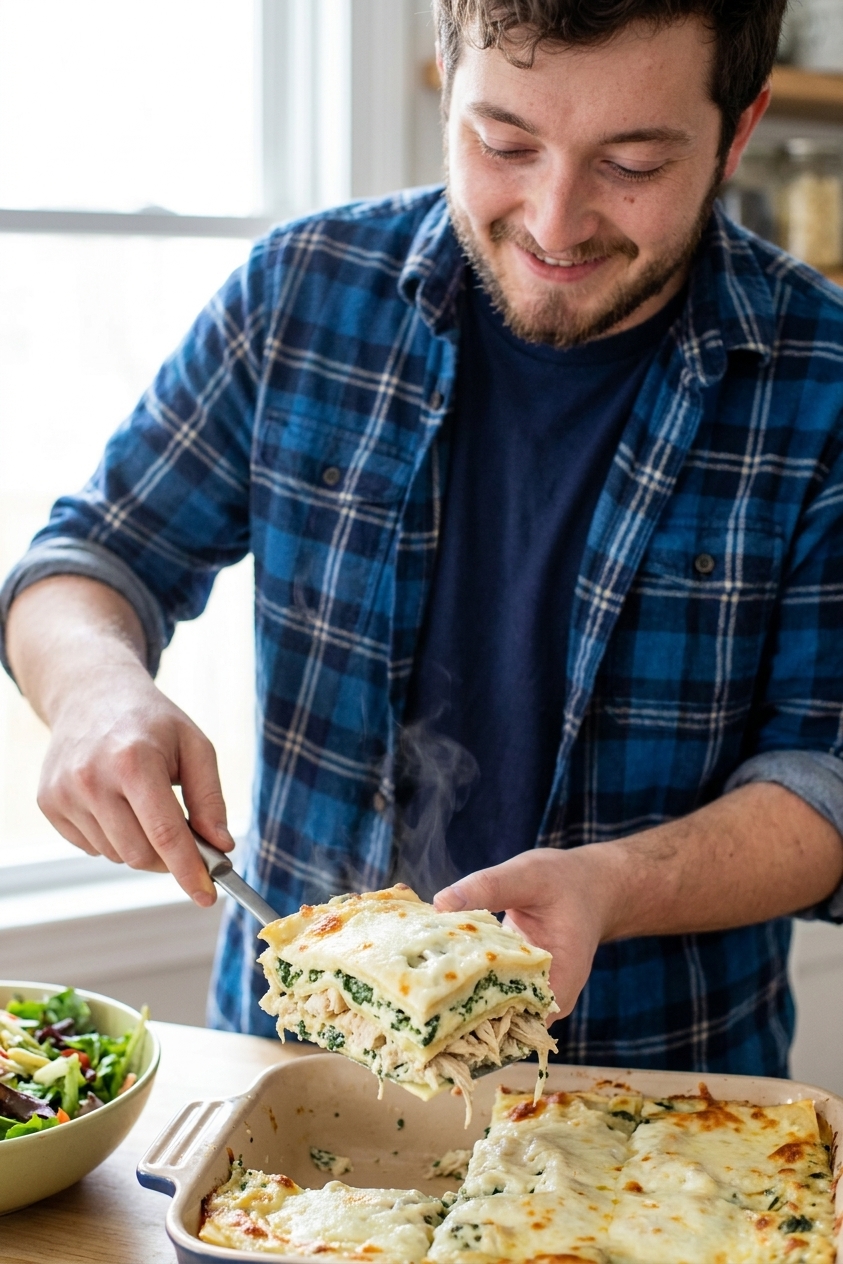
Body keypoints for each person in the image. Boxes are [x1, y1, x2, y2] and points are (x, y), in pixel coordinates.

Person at [2, 0, 843, 1074]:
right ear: (450, 87)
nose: (554, 219)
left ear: (741, 128)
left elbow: (825, 778)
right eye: (504, 144)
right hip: (299, 1074)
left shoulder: (825, 383)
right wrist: (91, 693)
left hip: (664, 1104)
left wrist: (613, 887)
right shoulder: (299, 293)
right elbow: (89, 560)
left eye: (632, 163)